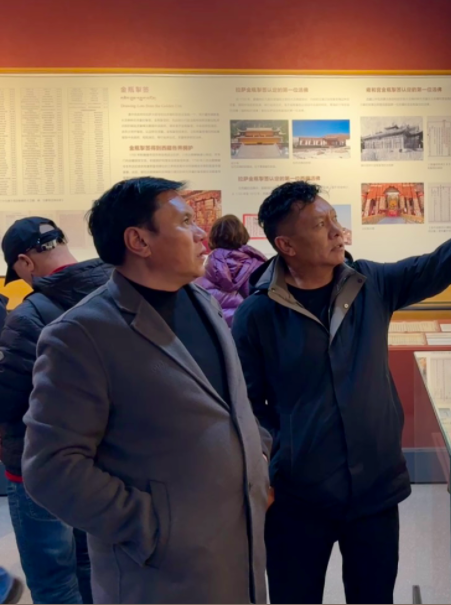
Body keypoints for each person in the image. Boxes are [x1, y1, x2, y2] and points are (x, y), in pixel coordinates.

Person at [233, 165, 451, 604]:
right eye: (321, 226)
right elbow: (246, 406)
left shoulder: (370, 284)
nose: (338, 232)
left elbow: (436, 265)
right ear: (286, 245)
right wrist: (272, 465)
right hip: (298, 497)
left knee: (374, 596)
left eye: (335, 220)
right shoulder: (258, 314)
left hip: (374, 490)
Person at [22, 179, 271, 604]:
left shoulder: (203, 303)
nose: (202, 233)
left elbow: (230, 401)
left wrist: (258, 457)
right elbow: (50, 468)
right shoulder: (81, 334)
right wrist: (153, 528)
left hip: (237, 554)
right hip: (158, 579)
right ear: (139, 241)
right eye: (186, 222)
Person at [0, 218, 108, 604]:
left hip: (39, 467)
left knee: (52, 579)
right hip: (101, 460)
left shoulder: (28, 316)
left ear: (25, 263)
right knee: (90, 564)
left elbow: (7, 401)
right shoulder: (117, 291)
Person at [196, 215, 267, 327]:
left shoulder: (201, 269)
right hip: (250, 330)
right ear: (243, 234)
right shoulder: (260, 266)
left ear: (213, 237)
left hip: (218, 332)